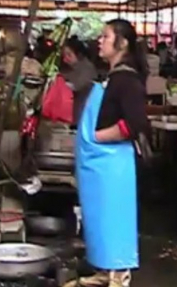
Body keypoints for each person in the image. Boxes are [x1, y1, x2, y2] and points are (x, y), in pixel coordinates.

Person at [72, 19, 149, 287]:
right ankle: (106, 270)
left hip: (114, 167)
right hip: (101, 168)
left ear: (122, 43)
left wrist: (98, 137)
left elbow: (136, 123)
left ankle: (119, 276)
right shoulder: (113, 78)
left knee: (114, 223)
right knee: (100, 222)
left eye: (105, 36)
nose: (100, 41)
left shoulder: (127, 79)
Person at [61, 37, 98, 124]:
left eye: (69, 55)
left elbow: (77, 86)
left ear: (79, 54)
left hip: (82, 114)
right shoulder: (72, 68)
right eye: (64, 55)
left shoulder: (87, 68)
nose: (65, 59)